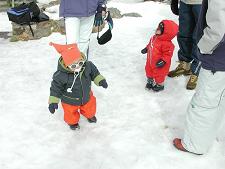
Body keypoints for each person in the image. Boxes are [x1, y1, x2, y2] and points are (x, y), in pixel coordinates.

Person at [173, 0, 225, 155]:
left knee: (205, 102)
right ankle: (207, 135)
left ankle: (194, 144)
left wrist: (203, 47)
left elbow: (218, 26)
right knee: (218, 98)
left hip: (218, 55)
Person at [48, 42, 108, 130]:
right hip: (69, 101)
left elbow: (94, 73)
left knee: (90, 108)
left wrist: (100, 80)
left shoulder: (88, 66)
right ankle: (73, 123)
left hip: (86, 96)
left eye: (80, 63)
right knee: (70, 113)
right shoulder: (60, 75)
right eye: (73, 65)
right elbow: (55, 88)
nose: (78, 67)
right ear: (66, 65)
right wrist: (53, 101)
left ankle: (90, 116)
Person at [169, 0, 202, 90]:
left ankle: (196, 71)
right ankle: (185, 64)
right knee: (184, 33)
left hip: (201, 4)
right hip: (185, 3)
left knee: (198, 37)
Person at [141, 20, 178, 92]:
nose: (157, 29)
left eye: (160, 29)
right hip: (150, 61)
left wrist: (163, 61)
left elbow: (168, 54)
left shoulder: (167, 44)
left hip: (159, 63)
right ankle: (150, 81)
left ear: (166, 33)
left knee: (159, 74)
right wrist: (146, 48)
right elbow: (150, 44)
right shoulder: (154, 37)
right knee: (148, 70)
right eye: (158, 27)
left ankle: (160, 85)